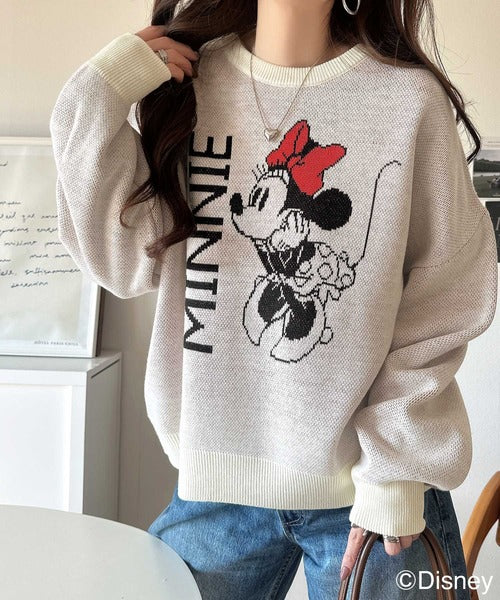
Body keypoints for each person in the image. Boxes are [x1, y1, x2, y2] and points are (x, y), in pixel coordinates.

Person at [49, 0, 497, 598]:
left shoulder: (406, 100)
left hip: (370, 496)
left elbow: (446, 294)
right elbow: (127, 263)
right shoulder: (187, 84)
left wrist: (396, 470)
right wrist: (97, 94)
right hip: (212, 492)